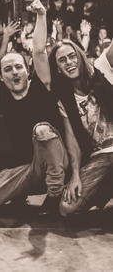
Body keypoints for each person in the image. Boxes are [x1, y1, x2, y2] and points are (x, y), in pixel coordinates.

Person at [0, 0, 77, 216]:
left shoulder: (42, 85)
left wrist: (41, 15)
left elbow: (39, 51)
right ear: (3, 77)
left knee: (42, 130)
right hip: (29, 169)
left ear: (28, 71)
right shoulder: (2, 96)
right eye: (8, 69)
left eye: (18, 67)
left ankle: (54, 196)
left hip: (58, 163)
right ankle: (19, 193)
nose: (14, 72)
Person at [48, 30, 113, 216]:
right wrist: (75, 175)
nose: (69, 62)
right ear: (58, 68)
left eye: (72, 56)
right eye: (62, 60)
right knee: (67, 208)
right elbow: (72, 142)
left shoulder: (100, 72)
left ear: (80, 56)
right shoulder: (64, 100)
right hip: (100, 156)